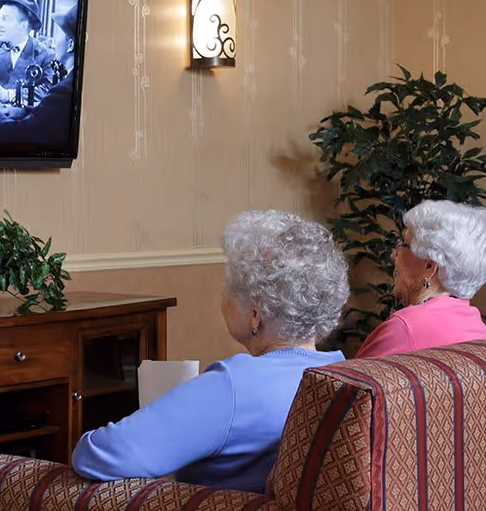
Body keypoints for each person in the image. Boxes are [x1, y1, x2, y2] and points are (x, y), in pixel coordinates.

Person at [70, 209, 349, 493]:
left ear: (255, 314)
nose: (222, 298)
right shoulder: (346, 374)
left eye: (229, 288)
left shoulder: (234, 385)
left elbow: (98, 456)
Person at [354, 201, 486, 358]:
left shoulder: (404, 328)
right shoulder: (478, 327)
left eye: (403, 245)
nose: (393, 255)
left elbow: (344, 382)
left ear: (429, 267)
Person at [0, 0, 62, 103]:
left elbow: (48, 90)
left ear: (23, 25)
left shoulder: (46, 55)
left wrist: (7, 95)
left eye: (5, 19)